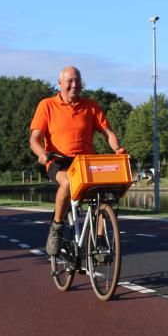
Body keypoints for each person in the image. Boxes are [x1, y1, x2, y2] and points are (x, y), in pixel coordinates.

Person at [29, 66, 126, 257]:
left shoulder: (91, 106)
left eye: (78, 81)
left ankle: (100, 241)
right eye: (70, 81)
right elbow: (34, 139)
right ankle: (57, 227)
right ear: (60, 83)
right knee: (66, 183)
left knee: (105, 193)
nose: (75, 85)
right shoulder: (47, 105)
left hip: (85, 163)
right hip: (59, 161)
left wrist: (117, 149)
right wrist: (42, 153)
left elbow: (108, 133)